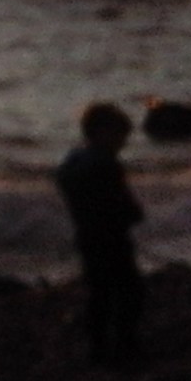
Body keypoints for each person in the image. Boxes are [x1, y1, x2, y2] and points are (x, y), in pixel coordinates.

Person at [55, 101, 144, 364]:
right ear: (103, 132)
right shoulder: (107, 165)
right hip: (113, 239)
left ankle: (98, 347)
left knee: (99, 294)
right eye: (120, 137)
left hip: (86, 237)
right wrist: (133, 214)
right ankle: (125, 346)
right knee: (130, 292)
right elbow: (123, 204)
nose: (123, 144)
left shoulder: (73, 162)